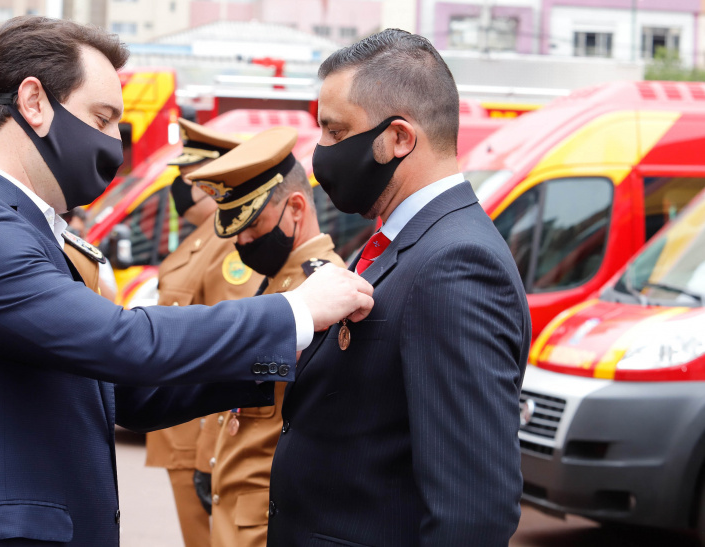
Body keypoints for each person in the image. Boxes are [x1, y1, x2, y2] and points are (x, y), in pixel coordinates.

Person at [0, 16, 372, 547]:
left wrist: (298, 350)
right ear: (34, 103)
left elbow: (122, 392)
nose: (113, 142)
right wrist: (295, 311)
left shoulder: (17, 226)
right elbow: (122, 342)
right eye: (102, 118)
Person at [266, 29, 531, 547]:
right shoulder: (402, 240)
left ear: (399, 138)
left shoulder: (457, 263)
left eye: (335, 131)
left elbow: (472, 510)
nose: (320, 152)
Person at [186, 126, 344, 547]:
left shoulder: (326, 292)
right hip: (239, 514)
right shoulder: (278, 282)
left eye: (253, 225)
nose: (242, 241)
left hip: (267, 525)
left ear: (296, 209)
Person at [144, 118, 262, 547]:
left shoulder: (229, 246)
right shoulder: (198, 241)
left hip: (203, 440)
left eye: (187, 178)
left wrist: (210, 454)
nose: (179, 189)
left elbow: (236, 347)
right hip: (182, 432)